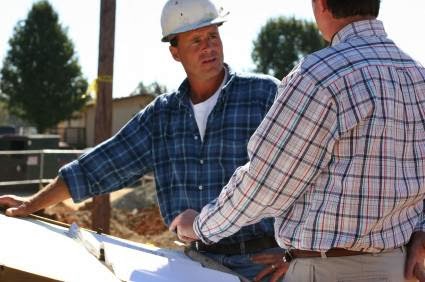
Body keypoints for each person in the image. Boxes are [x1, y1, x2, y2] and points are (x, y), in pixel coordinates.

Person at [0, 0, 282, 280]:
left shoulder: (263, 95)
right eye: (195, 40)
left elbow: (307, 172)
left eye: (212, 36)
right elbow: (101, 165)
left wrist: (296, 252)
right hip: (195, 263)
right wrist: (31, 204)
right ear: (175, 51)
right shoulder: (161, 116)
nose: (208, 47)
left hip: (262, 263)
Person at [170, 0, 425, 281]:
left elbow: (265, 184)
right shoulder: (417, 75)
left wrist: (200, 226)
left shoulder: (319, 75)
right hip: (398, 269)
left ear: (322, 4)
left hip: (329, 272)